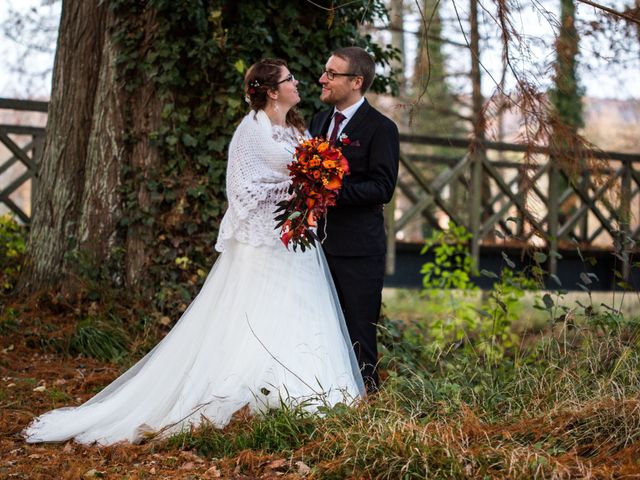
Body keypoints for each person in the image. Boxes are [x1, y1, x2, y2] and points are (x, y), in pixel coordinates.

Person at [22, 59, 365, 446]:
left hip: (295, 243)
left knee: (304, 315)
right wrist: (294, 189)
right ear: (271, 91)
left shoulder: (295, 128)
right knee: (256, 320)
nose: (297, 82)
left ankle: (311, 400)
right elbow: (243, 190)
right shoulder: (251, 131)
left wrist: (313, 187)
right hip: (260, 245)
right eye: (289, 79)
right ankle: (251, 398)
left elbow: (304, 175)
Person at [309, 47, 400, 393]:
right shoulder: (318, 122)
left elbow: (382, 187)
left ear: (356, 82)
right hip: (316, 249)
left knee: (360, 332)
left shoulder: (381, 128)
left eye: (332, 74)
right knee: (321, 327)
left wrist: (330, 191)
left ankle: (368, 401)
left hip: (359, 250)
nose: (323, 79)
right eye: (325, 71)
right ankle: (326, 398)